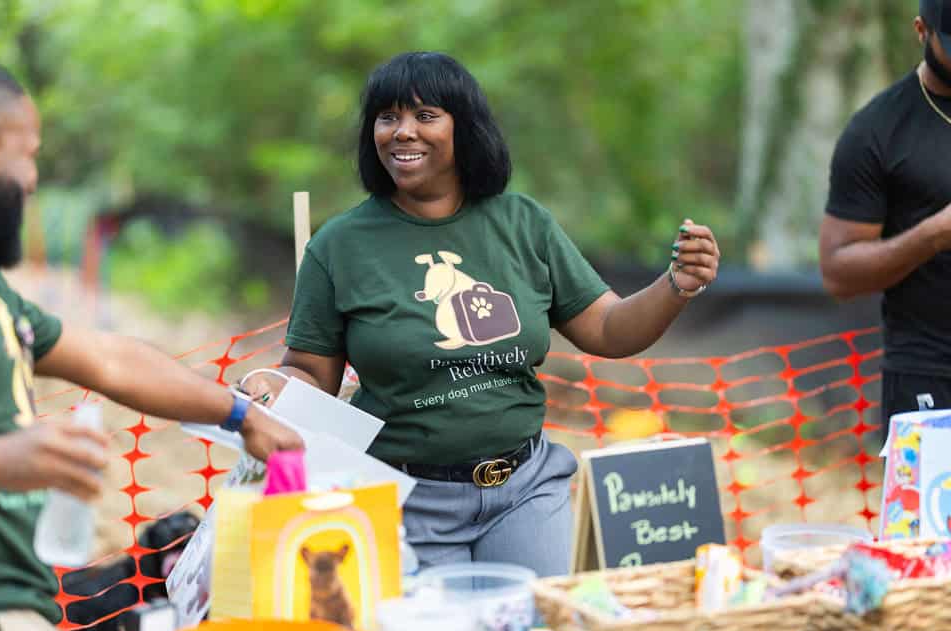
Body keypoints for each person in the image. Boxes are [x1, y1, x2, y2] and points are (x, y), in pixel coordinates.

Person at [241, 51, 720, 578]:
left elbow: (608, 329)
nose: (402, 131)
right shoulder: (339, 246)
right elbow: (311, 374)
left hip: (526, 490)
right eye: (387, 117)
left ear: (463, 127)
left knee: (545, 625)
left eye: (425, 116)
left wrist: (677, 285)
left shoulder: (523, 224)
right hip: (407, 500)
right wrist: (272, 386)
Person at [0, 55, 302, 631]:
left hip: (8, 626)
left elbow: (109, 358)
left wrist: (242, 415)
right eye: (28, 155)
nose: (33, 180)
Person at [819, 0, 951, 427]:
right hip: (929, 377)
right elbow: (837, 273)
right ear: (921, 31)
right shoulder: (878, 130)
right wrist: (934, 234)